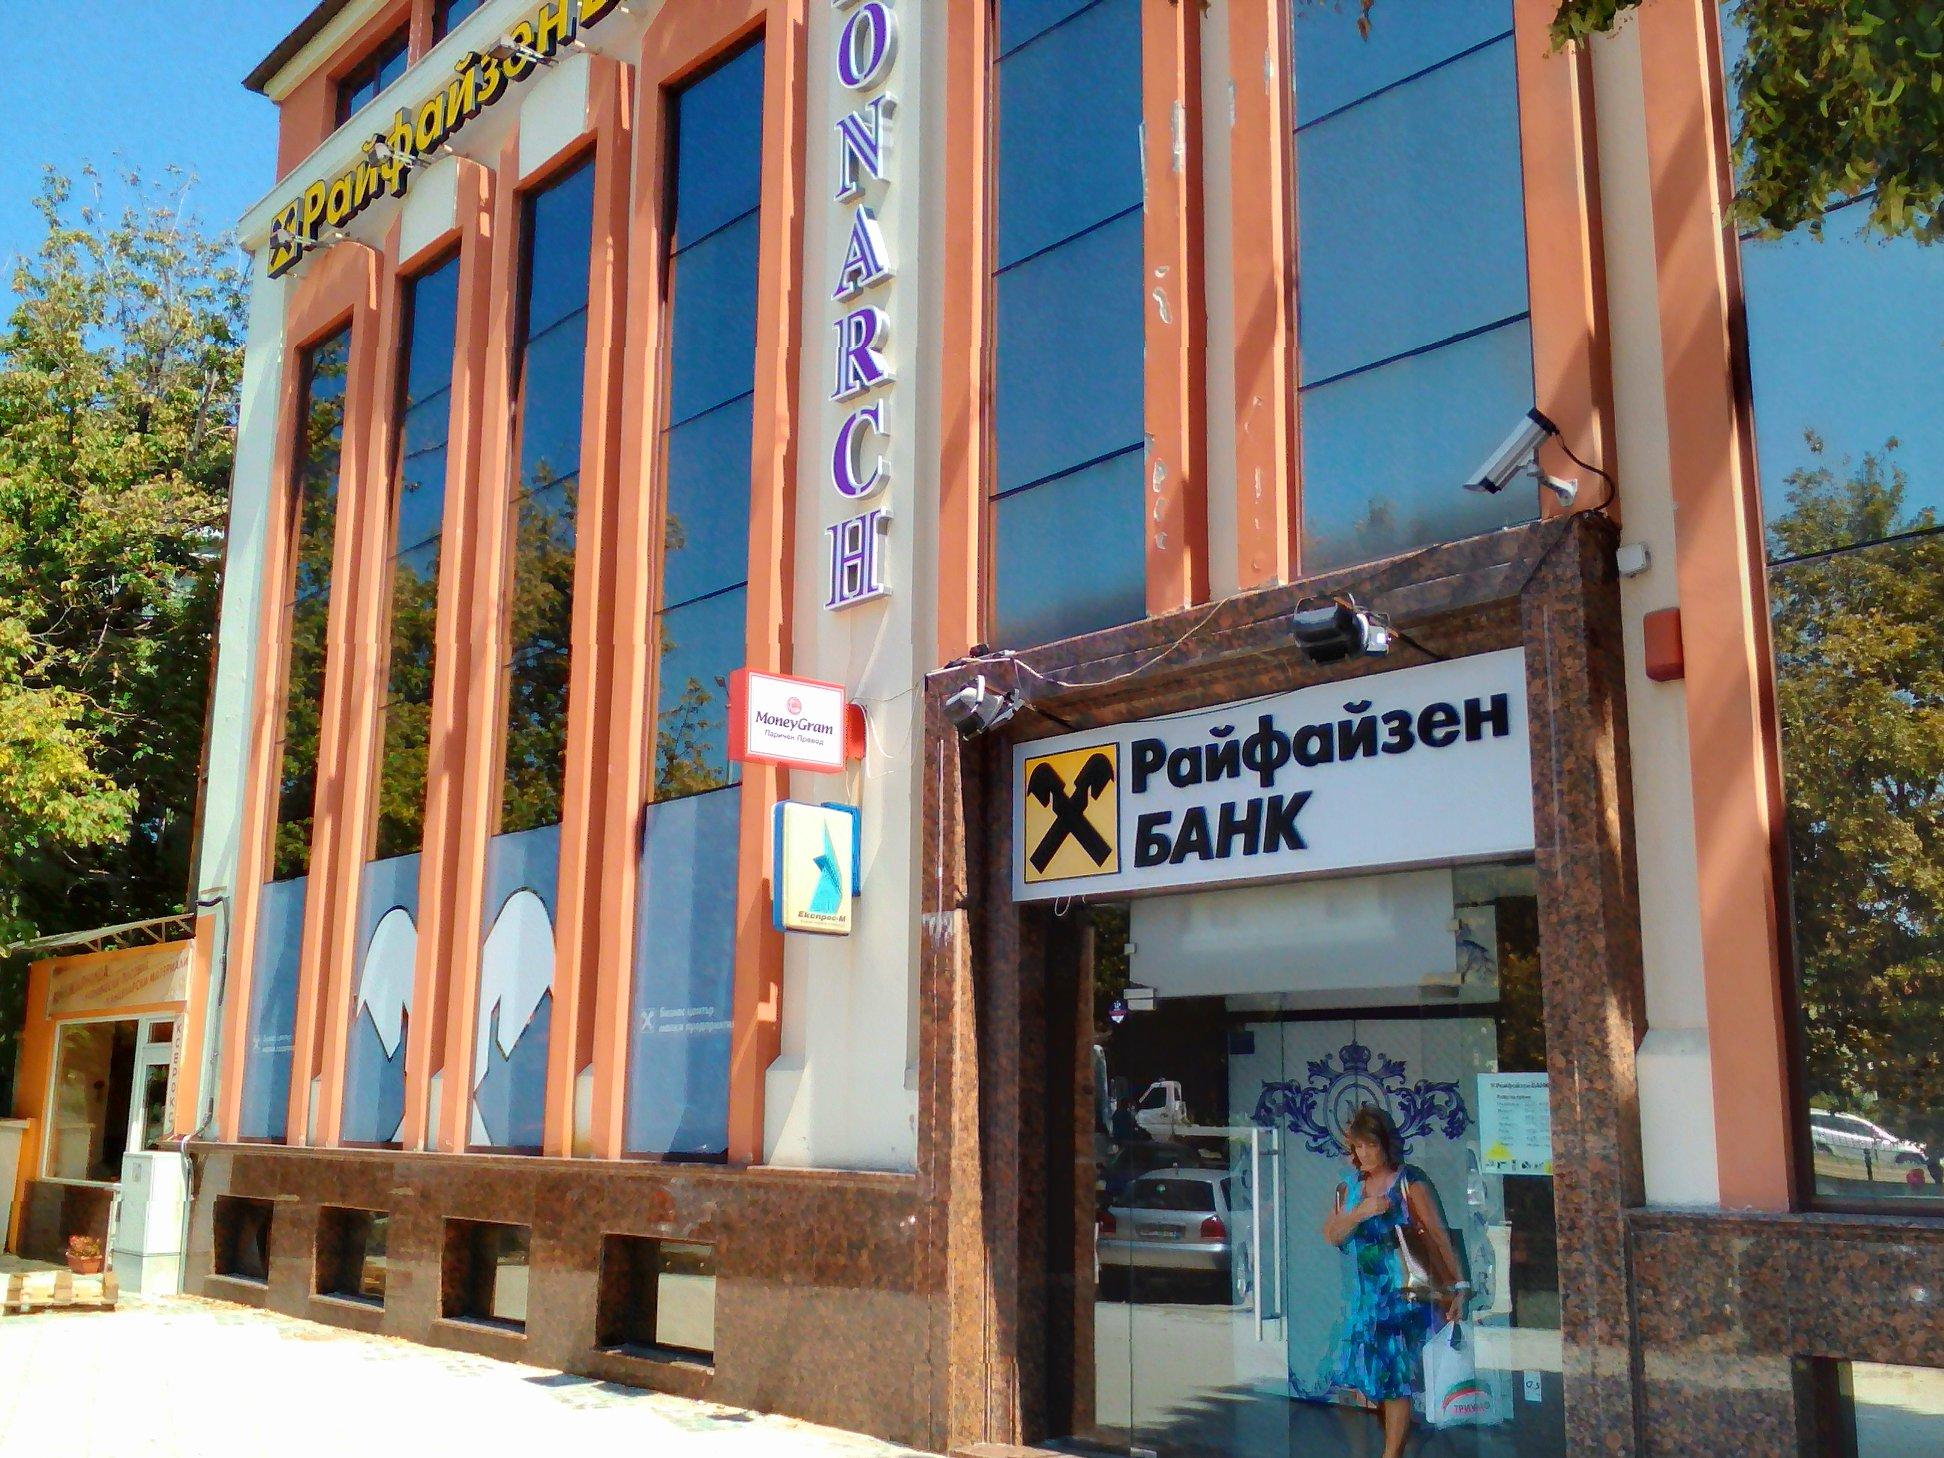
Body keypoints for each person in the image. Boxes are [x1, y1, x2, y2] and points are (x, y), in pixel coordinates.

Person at [1322, 1104, 1468, 1458]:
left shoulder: (1409, 1182)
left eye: (1371, 1145)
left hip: (1404, 1297)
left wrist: (1460, 1287)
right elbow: (1331, 1234)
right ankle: (1396, 1443)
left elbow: (1438, 1235)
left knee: (1394, 1381)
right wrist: (1359, 1212)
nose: (1365, 1153)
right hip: (1365, 1300)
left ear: (1386, 1144)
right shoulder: (1349, 1188)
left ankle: (1392, 1454)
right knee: (1363, 1380)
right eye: (1358, 1146)